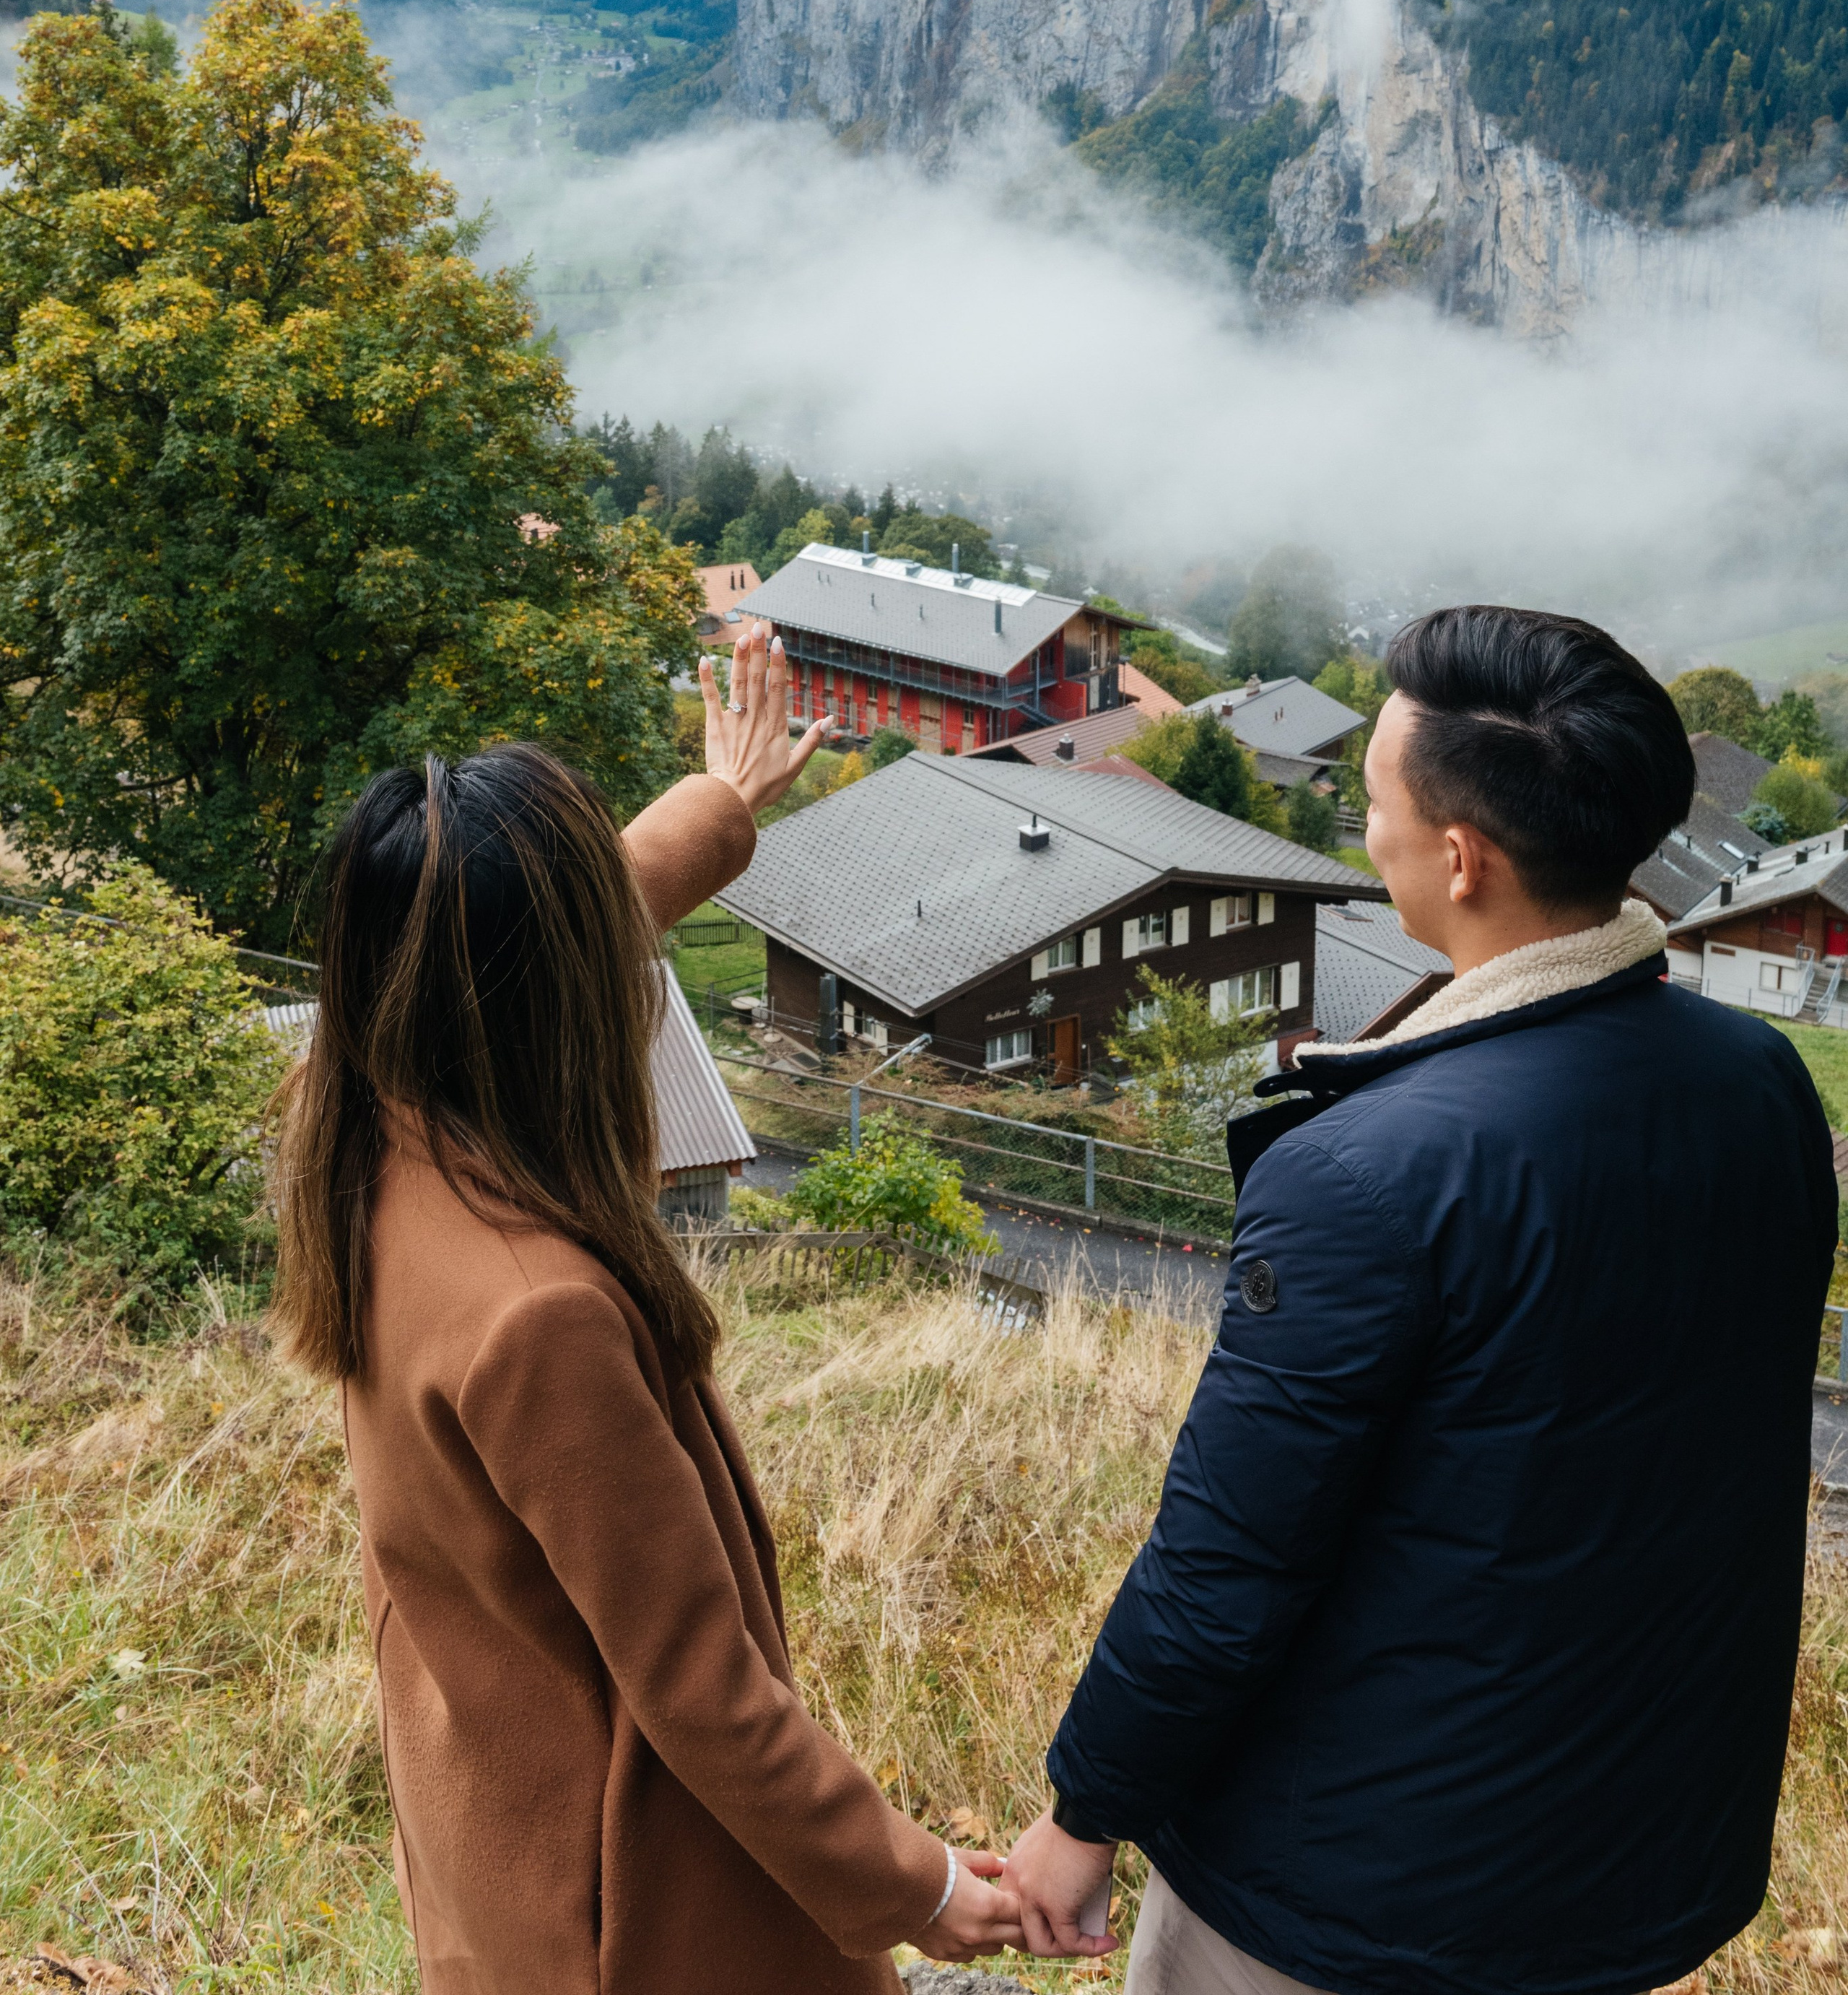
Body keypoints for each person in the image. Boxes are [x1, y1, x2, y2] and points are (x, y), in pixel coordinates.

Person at [1006, 603, 1838, 1995]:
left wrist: (1082, 1817)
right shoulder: (1760, 1085)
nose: (1368, 831)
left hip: (1354, 1894)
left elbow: (1226, 1565)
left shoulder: (1366, 1173)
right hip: (1636, 1850)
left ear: (1459, 858)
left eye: (1376, 802)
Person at [272, 622, 1023, 1994]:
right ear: (564, 998)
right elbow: (701, 1690)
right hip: (635, 1909)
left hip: (496, 1825)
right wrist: (916, 1888)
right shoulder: (540, 1320)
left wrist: (722, 805)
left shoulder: (364, 1119)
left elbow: (560, 917)